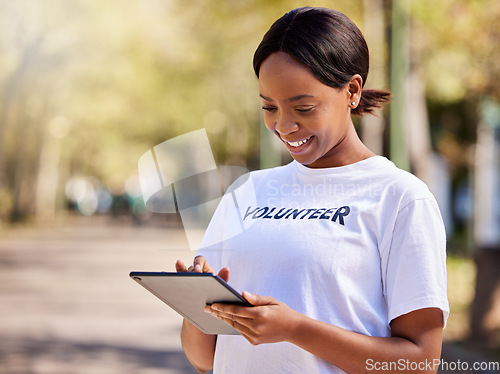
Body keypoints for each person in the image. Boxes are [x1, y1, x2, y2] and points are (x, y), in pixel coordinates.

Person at [175, 7, 449, 374]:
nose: (283, 126)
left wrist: (296, 329)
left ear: (352, 90)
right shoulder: (248, 191)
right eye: (268, 107)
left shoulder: (399, 198)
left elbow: (420, 362)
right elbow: (205, 358)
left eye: (303, 107)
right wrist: (199, 304)